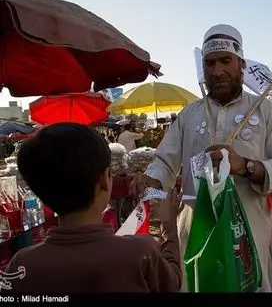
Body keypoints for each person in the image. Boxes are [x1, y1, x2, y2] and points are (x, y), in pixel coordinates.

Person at [130, 24, 272, 292]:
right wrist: (153, 179)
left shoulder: (266, 112)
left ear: (241, 64)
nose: (217, 71)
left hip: (249, 234)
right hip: (194, 231)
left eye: (225, 61)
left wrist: (246, 166)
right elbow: (164, 162)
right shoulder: (189, 114)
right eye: (209, 63)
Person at [6, 123, 182, 293]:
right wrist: (169, 227)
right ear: (105, 180)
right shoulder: (141, 253)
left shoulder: (22, 264)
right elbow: (173, 283)